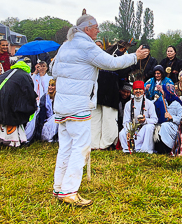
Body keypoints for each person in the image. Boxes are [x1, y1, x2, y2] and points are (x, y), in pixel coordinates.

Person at [51, 13, 149, 207]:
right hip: (78, 105)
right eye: (96, 27)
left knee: (65, 147)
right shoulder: (87, 47)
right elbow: (111, 63)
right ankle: (69, 191)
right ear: (87, 29)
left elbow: (53, 70)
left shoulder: (65, 46)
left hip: (62, 105)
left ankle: (59, 187)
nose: (98, 30)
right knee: (80, 147)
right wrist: (135, 57)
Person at [0, 59, 38, 148]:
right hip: (9, 98)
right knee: (13, 119)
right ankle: (17, 142)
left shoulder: (7, 72)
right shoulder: (25, 75)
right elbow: (29, 91)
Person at [119, 80, 158, 153]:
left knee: (149, 127)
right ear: (133, 91)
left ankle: (145, 149)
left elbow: (155, 119)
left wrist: (145, 120)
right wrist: (129, 130)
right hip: (133, 128)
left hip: (144, 127)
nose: (138, 91)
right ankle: (128, 149)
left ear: (143, 91)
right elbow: (126, 121)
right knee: (122, 133)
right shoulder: (128, 104)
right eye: (136, 89)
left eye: (140, 89)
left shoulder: (149, 103)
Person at [154, 84, 182, 154]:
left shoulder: (177, 104)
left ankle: (167, 149)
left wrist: (171, 117)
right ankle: (160, 149)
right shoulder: (162, 101)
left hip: (174, 126)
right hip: (163, 123)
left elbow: (181, 119)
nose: (162, 93)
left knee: (164, 126)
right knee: (159, 127)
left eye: (164, 91)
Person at [40, 78, 59, 142]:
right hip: (46, 121)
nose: (50, 87)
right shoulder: (44, 97)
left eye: (52, 85)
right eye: (49, 85)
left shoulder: (58, 97)